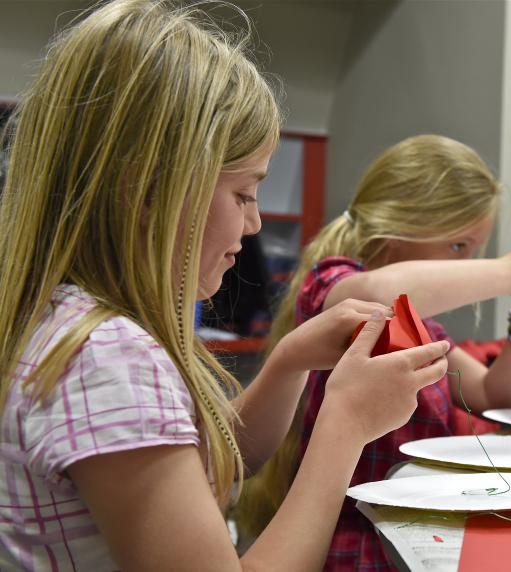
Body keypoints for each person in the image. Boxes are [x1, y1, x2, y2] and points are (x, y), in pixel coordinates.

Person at [0, 1, 449, 570]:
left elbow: (211, 465)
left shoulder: (64, 323)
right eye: (242, 194)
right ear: (150, 193)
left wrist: (288, 363)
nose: (255, 223)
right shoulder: (108, 360)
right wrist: (346, 425)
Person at [234, 134, 511, 570]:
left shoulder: (421, 324)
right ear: (402, 226)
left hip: (412, 531)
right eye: (458, 246)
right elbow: (377, 293)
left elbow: (494, 394)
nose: (466, 262)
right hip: (352, 541)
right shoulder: (332, 283)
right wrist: (510, 272)